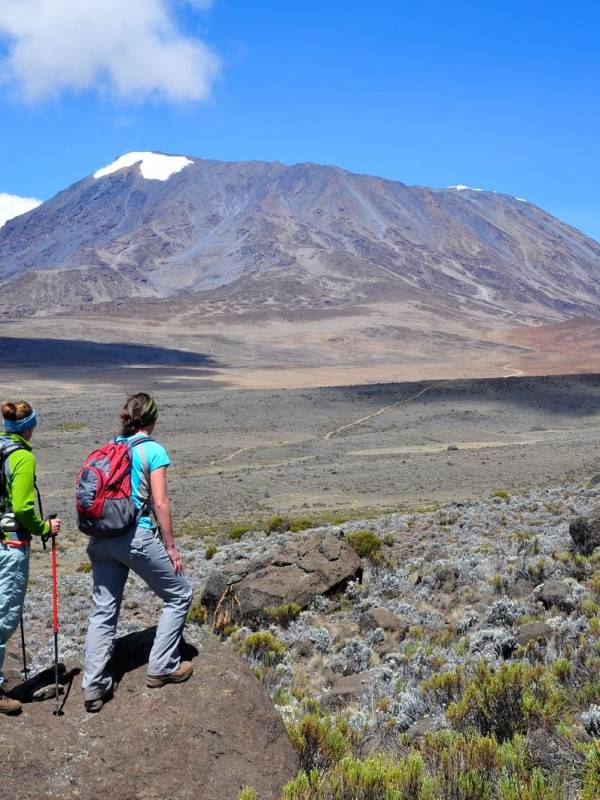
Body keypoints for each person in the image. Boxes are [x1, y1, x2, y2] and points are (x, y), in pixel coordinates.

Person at [82, 392, 193, 713]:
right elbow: (160, 503)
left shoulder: (111, 447)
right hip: (135, 536)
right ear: (153, 419)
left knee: (103, 612)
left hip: (100, 539)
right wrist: (170, 547)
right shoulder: (152, 450)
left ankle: (93, 686)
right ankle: (163, 665)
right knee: (180, 594)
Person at [0, 400, 61, 716]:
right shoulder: (21, 456)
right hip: (10, 545)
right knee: (5, 616)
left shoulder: (0, 449)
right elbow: (24, 508)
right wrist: (44, 528)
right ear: (30, 426)